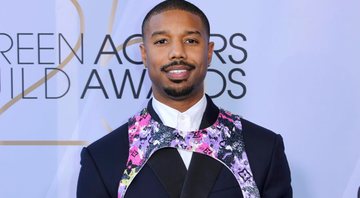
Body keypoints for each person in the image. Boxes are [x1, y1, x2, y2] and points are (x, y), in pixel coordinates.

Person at [77, 1, 292, 197]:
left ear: (208, 52)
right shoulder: (103, 158)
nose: (177, 52)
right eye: (162, 41)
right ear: (144, 54)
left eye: (190, 40)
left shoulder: (263, 148)